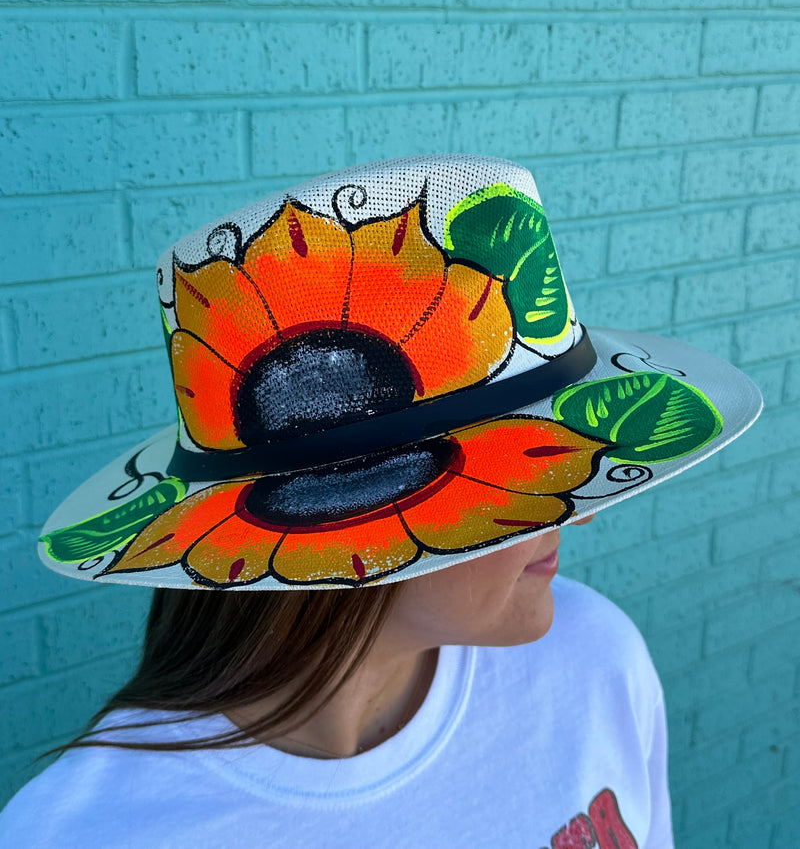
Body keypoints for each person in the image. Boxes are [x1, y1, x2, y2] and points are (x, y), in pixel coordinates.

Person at [0, 154, 762, 848]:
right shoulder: (86, 830)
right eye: (524, 481)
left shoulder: (598, 664)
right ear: (350, 520)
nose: (582, 511)